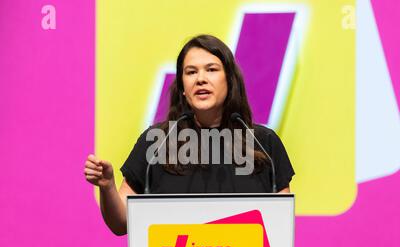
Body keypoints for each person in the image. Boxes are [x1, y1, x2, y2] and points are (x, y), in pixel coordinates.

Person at [84, 34, 295, 236]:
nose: (201, 79)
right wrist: (107, 186)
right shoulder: (157, 142)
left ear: (229, 81)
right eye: (191, 72)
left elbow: (282, 226)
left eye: (211, 69)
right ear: (183, 87)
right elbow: (121, 223)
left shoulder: (263, 143)